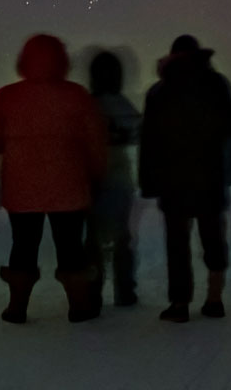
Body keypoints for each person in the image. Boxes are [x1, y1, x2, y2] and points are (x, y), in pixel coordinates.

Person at [0, 33, 107, 324]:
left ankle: (17, 308)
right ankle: (79, 306)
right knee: (71, 247)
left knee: (23, 246)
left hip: (21, 189)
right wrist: (96, 177)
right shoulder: (76, 96)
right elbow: (95, 143)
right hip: (70, 187)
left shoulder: (6, 97)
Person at [137, 33, 231, 321]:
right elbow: (230, 132)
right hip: (210, 177)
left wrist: (149, 181)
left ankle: (180, 304)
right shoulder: (217, 85)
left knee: (177, 245)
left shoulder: (159, 92)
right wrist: (227, 174)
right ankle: (214, 298)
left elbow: (149, 142)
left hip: (173, 181)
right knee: (213, 239)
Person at [86, 49, 142, 307]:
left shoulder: (87, 105)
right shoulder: (125, 106)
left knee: (93, 243)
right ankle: (125, 291)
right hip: (120, 182)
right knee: (122, 240)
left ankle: (92, 291)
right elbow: (137, 133)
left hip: (91, 182)